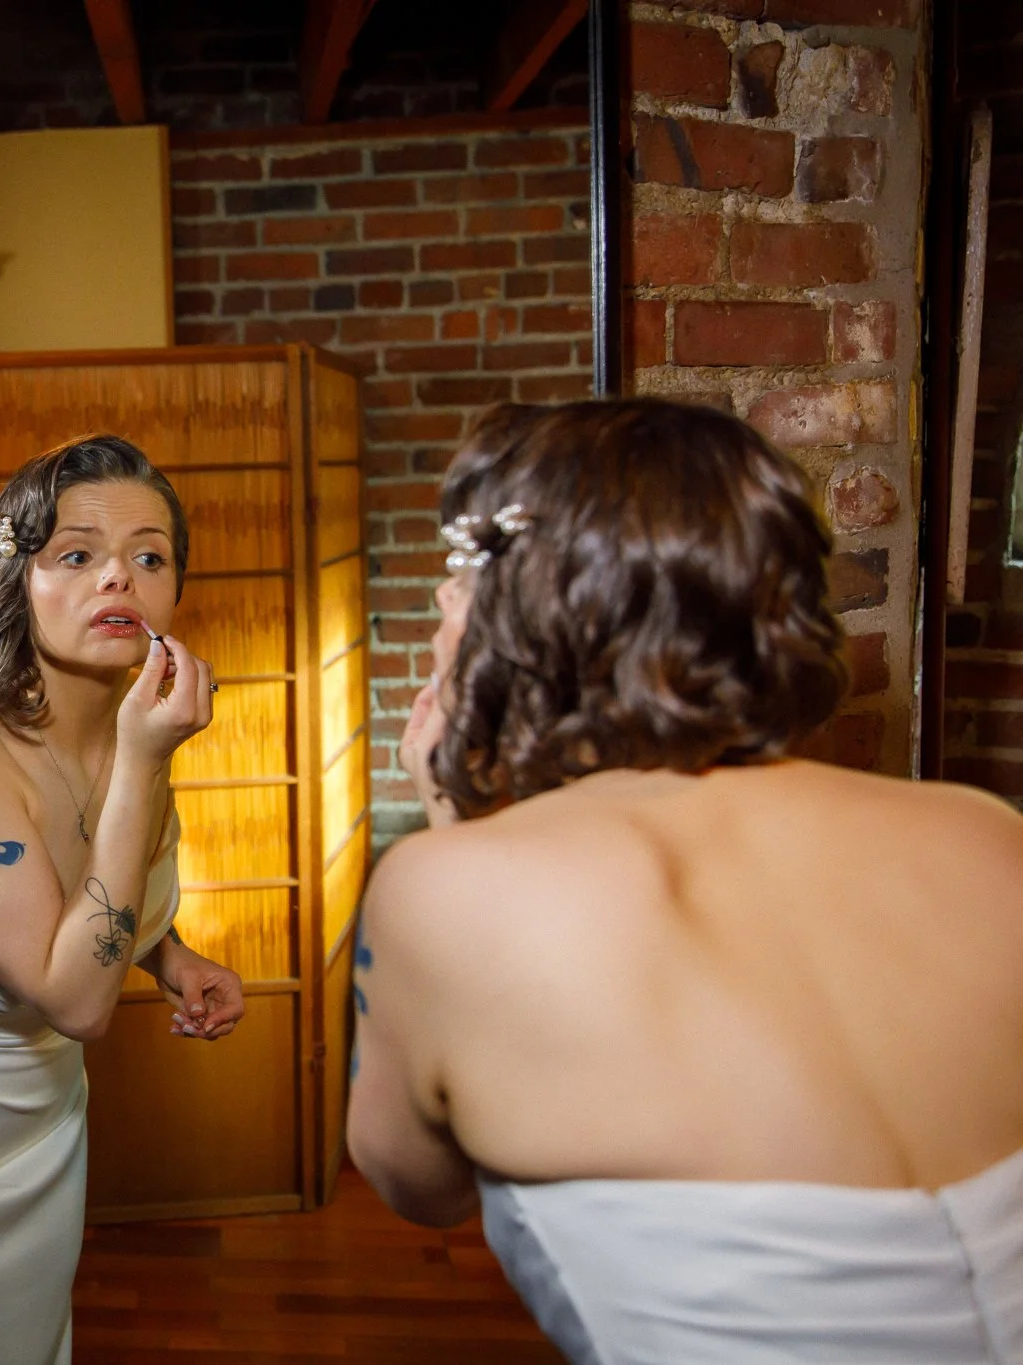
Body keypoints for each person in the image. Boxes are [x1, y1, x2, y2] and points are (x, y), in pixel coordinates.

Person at [347, 398, 1023, 1365]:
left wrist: (455, 831)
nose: (445, 607)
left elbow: (421, 1186)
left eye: (459, 576)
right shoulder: (983, 832)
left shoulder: (444, 894)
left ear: (531, 606)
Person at [0, 435, 248, 1365]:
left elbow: (85, 898)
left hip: (50, 1131)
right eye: (78, 553)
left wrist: (171, 954)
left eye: (149, 556)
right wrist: (143, 762)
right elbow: (77, 1000)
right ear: (18, 577)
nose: (119, 578)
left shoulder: (135, 731)